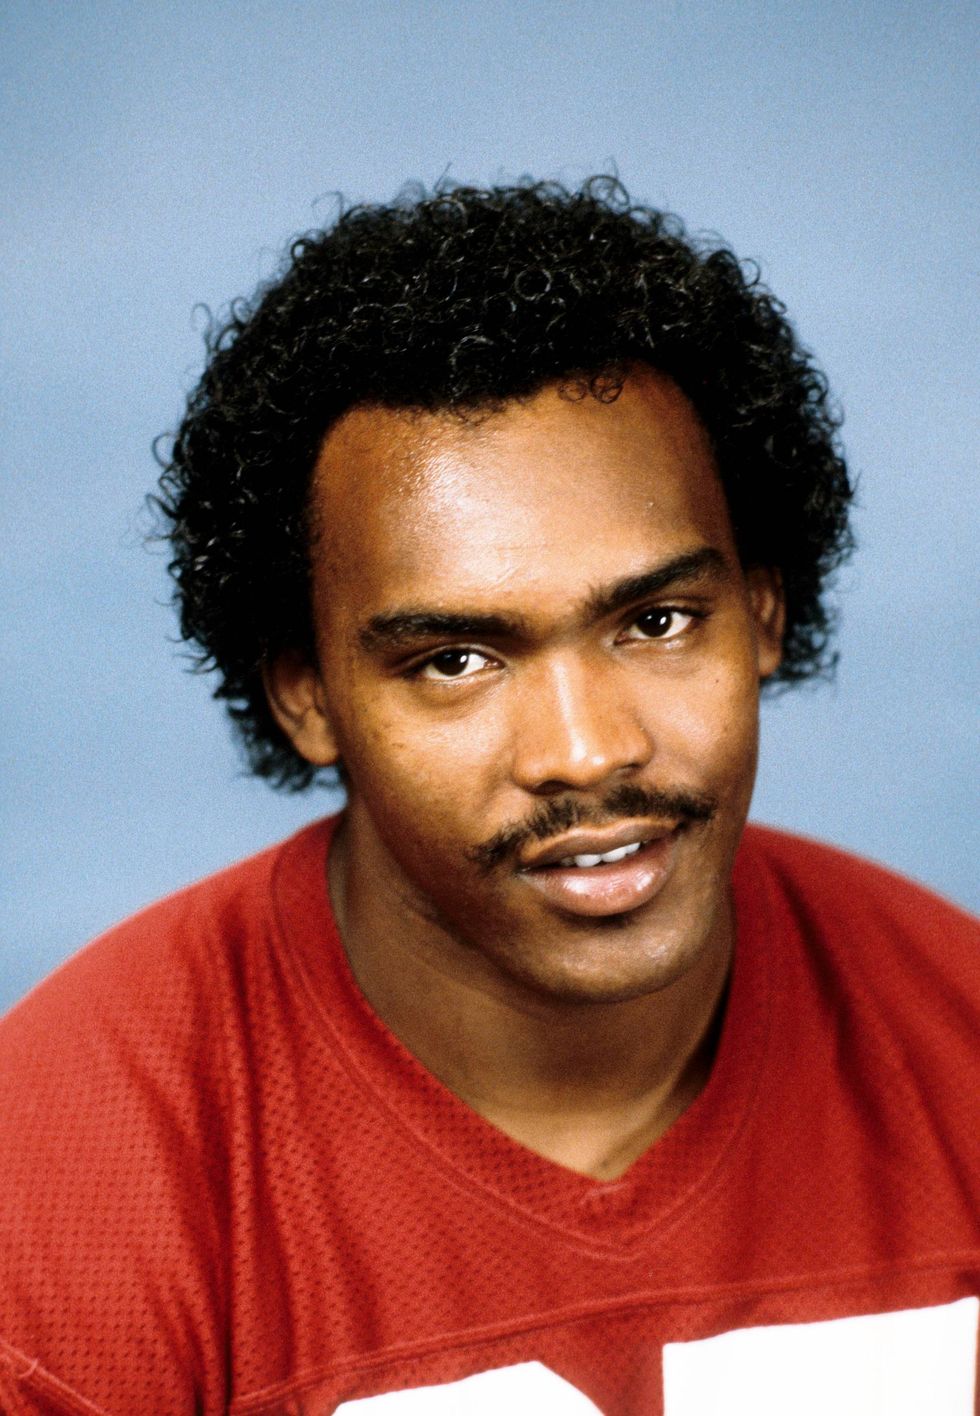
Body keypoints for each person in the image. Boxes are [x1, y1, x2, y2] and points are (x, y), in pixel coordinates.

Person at [1, 179, 976, 1416]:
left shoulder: (954, 1034)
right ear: (306, 696)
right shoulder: (60, 1199)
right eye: (454, 661)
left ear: (764, 613)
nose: (583, 749)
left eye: (657, 621)